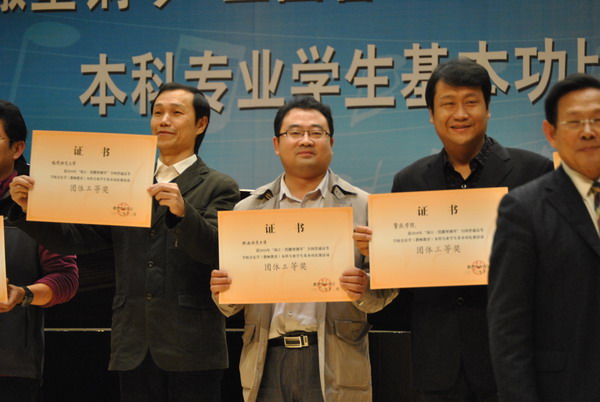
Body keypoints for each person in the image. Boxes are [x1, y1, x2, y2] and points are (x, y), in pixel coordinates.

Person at [8, 83, 239, 402]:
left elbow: (216, 250)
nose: (164, 120)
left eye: (176, 113)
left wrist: (184, 213)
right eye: (157, 113)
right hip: (133, 343)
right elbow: (76, 239)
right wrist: (28, 210)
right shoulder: (127, 180)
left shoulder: (219, 185)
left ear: (201, 124)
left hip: (194, 347)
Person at [354, 59, 553, 401]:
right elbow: (404, 285)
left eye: (471, 102)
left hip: (512, 360)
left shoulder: (533, 172)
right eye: (448, 104)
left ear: (487, 109)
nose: (460, 114)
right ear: (432, 114)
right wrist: (382, 256)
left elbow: (554, 262)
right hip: (438, 364)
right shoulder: (409, 181)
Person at [210, 96, 397, 402]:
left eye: (316, 132)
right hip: (265, 360)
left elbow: (388, 290)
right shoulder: (247, 210)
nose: (306, 140)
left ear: (331, 142)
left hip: (335, 359)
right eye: (295, 132)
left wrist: (365, 287)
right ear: (276, 144)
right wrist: (222, 292)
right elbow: (231, 305)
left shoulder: (363, 206)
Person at [487, 73, 600, 401]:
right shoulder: (523, 209)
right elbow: (509, 328)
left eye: (597, 119)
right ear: (551, 133)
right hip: (566, 389)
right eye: (574, 121)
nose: (588, 131)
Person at [0, 100, 78, 401]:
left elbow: (66, 278)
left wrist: (24, 294)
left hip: (10, 364)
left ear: (17, 148)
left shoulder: (40, 199)